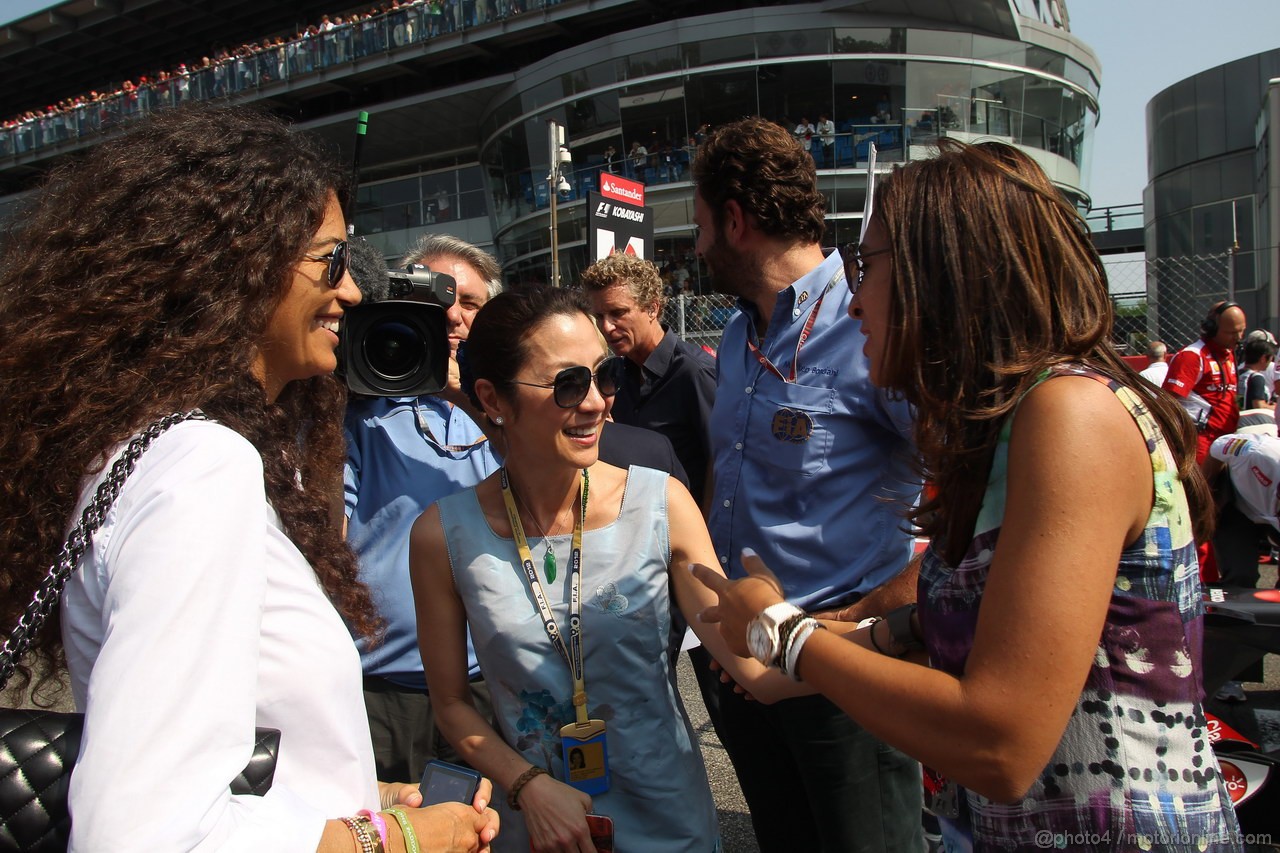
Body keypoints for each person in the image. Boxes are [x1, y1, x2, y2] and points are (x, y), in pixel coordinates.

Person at [693, 139, 1242, 852]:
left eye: (870, 266)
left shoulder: (1068, 414)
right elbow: (947, 616)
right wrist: (805, 640)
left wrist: (787, 632)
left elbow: (1002, 742)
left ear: (946, 273)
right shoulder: (1011, 429)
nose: (854, 300)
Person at [0, 104, 499, 851]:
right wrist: (394, 839)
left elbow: (231, 753)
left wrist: (356, 794)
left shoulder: (147, 446)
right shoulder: (200, 466)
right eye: (331, 260)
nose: (355, 293)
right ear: (240, 264)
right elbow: (144, 835)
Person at [408, 287, 806, 852]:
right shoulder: (442, 536)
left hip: (668, 819)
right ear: (492, 398)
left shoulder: (660, 503)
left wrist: (884, 640)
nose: (596, 402)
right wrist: (526, 784)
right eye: (568, 384)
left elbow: (748, 667)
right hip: (541, 826)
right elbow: (449, 702)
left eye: (606, 375)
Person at [691, 116, 923, 852]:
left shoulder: (870, 325)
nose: (695, 249)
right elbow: (724, 476)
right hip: (744, 667)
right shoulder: (734, 338)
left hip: (842, 680)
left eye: (699, 227)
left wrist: (859, 621)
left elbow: (966, 503)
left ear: (736, 221)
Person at [345, 234, 503, 784]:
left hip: (486, 684)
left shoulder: (496, 416)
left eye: (472, 304)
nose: (454, 317)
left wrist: (469, 398)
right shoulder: (360, 416)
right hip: (384, 693)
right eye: (437, 302)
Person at [580, 253, 716, 504]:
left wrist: (702, 537)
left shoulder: (694, 372)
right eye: (599, 316)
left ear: (652, 308)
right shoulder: (613, 375)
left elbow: (721, 465)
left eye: (617, 313)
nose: (607, 327)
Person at [1163, 300, 1246, 462]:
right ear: (1211, 329)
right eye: (1231, 332)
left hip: (1227, 440)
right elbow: (1167, 402)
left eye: (1242, 331)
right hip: (1201, 442)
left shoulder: (1229, 355)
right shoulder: (1192, 356)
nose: (1238, 338)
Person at [1237, 334, 1276, 410]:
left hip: (1239, 418)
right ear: (1263, 358)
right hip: (1254, 420)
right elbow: (1258, 405)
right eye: (1270, 359)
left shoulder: (1238, 374)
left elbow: (1239, 403)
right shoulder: (1257, 377)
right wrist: (1275, 407)